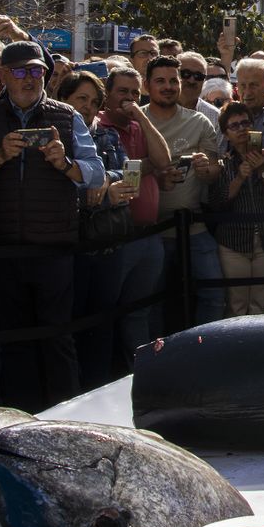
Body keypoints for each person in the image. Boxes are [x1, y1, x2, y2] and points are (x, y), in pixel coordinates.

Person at [0, 42, 105, 410]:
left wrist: (64, 163)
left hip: (53, 248)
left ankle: (69, 417)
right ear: (3, 76)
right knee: (13, 341)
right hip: (3, 247)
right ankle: (20, 421)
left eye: (35, 71)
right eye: (19, 71)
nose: (29, 79)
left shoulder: (66, 116)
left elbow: (96, 175)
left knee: (58, 339)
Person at [56, 72, 135, 388]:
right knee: (70, 328)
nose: (87, 108)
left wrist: (107, 180)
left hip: (106, 244)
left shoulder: (108, 135)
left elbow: (126, 170)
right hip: (69, 245)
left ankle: (98, 390)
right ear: (64, 99)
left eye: (93, 102)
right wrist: (91, 185)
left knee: (102, 324)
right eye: (81, 99)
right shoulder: (55, 137)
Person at [94, 66, 172, 368]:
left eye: (134, 93)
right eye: (122, 92)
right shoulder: (100, 127)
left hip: (148, 235)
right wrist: (146, 166)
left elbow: (163, 160)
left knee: (139, 312)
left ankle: (136, 373)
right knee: (109, 312)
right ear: (108, 94)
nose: (129, 99)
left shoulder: (140, 124)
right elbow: (123, 171)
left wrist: (140, 115)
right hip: (118, 236)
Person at [144, 57, 223, 328]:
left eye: (173, 81)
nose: (168, 86)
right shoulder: (137, 121)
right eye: (160, 81)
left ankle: (203, 352)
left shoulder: (200, 122)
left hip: (193, 226)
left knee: (214, 292)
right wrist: (155, 175)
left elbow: (214, 172)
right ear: (146, 85)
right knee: (150, 301)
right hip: (151, 230)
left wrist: (205, 169)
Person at [209, 102, 264, 317]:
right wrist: (240, 177)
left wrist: (262, 169)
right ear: (226, 133)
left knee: (263, 303)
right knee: (236, 304)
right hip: (234, 242)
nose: (241, 129)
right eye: (234, 126)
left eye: (245, 123)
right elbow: (218, 203)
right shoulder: (223, 163)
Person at [175, 51, 221, 126]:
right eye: (186, 74)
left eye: (198, 76)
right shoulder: (158, 108)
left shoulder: (214, 116)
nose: (191, 80)